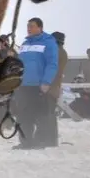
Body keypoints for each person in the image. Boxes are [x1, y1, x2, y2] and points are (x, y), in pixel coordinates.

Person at [12, 17, 59, 149]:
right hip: (23, 85)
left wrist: (46, 81)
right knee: (23, 115)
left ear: (40, 28)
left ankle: (40, 141)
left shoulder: (48, 43)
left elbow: (52, 64)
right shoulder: (25, 44)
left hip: (38, 85)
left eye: (32, 26)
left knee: (40, 115)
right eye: (28, 26)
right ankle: (25, 142)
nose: (29, 28)